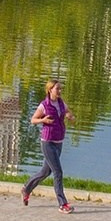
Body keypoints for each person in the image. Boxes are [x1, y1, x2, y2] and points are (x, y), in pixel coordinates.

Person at [22, 79, 73, 213]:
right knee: (58, 172)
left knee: (46, 172)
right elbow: (33, 120)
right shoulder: (44, 105)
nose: (60, 91)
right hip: (47, 142)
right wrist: (43, 120)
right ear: (50, 90)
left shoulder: (62, 104)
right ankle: (63, 204)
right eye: (58, 89)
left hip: (58, 141)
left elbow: (67, 112)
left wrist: (69, 116)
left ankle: (26, 188)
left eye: (60, 89)